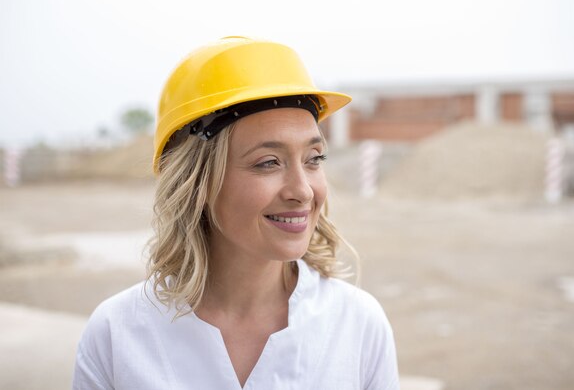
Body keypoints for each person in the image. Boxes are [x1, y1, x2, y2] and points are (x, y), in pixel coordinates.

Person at [72, 36, 399, 390]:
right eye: (268, 162)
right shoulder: (116, 335)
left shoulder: (358, 326)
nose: (303, 190)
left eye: (314, 159)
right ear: (195, 182)